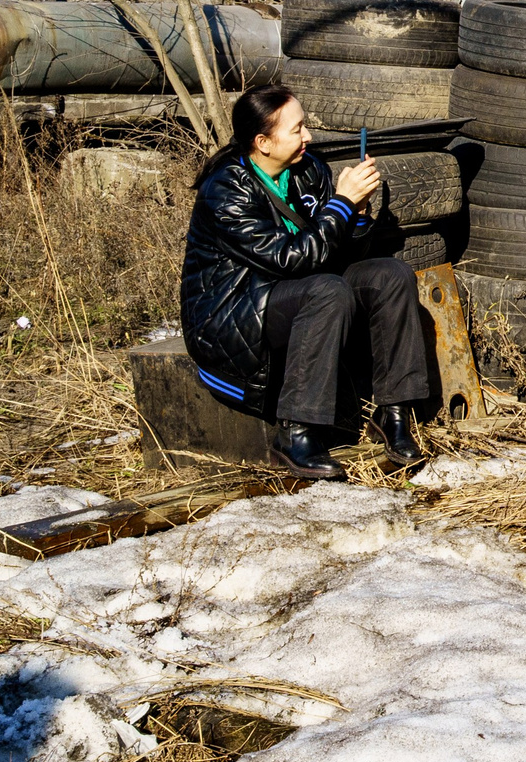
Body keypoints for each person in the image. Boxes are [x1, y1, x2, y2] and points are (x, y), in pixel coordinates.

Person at [180, 85, 431, 476]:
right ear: (263, 142)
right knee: (326, 291)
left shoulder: (307, 169)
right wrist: (341, 205)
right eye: (297, 129)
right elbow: (292, 259)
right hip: (235, 310)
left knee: (390, 275)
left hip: (291, 290)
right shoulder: (226, 190)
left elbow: (338, 253)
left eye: (305, 127)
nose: (308, 137)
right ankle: (296, 432)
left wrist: (359, 215)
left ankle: (394, 412)